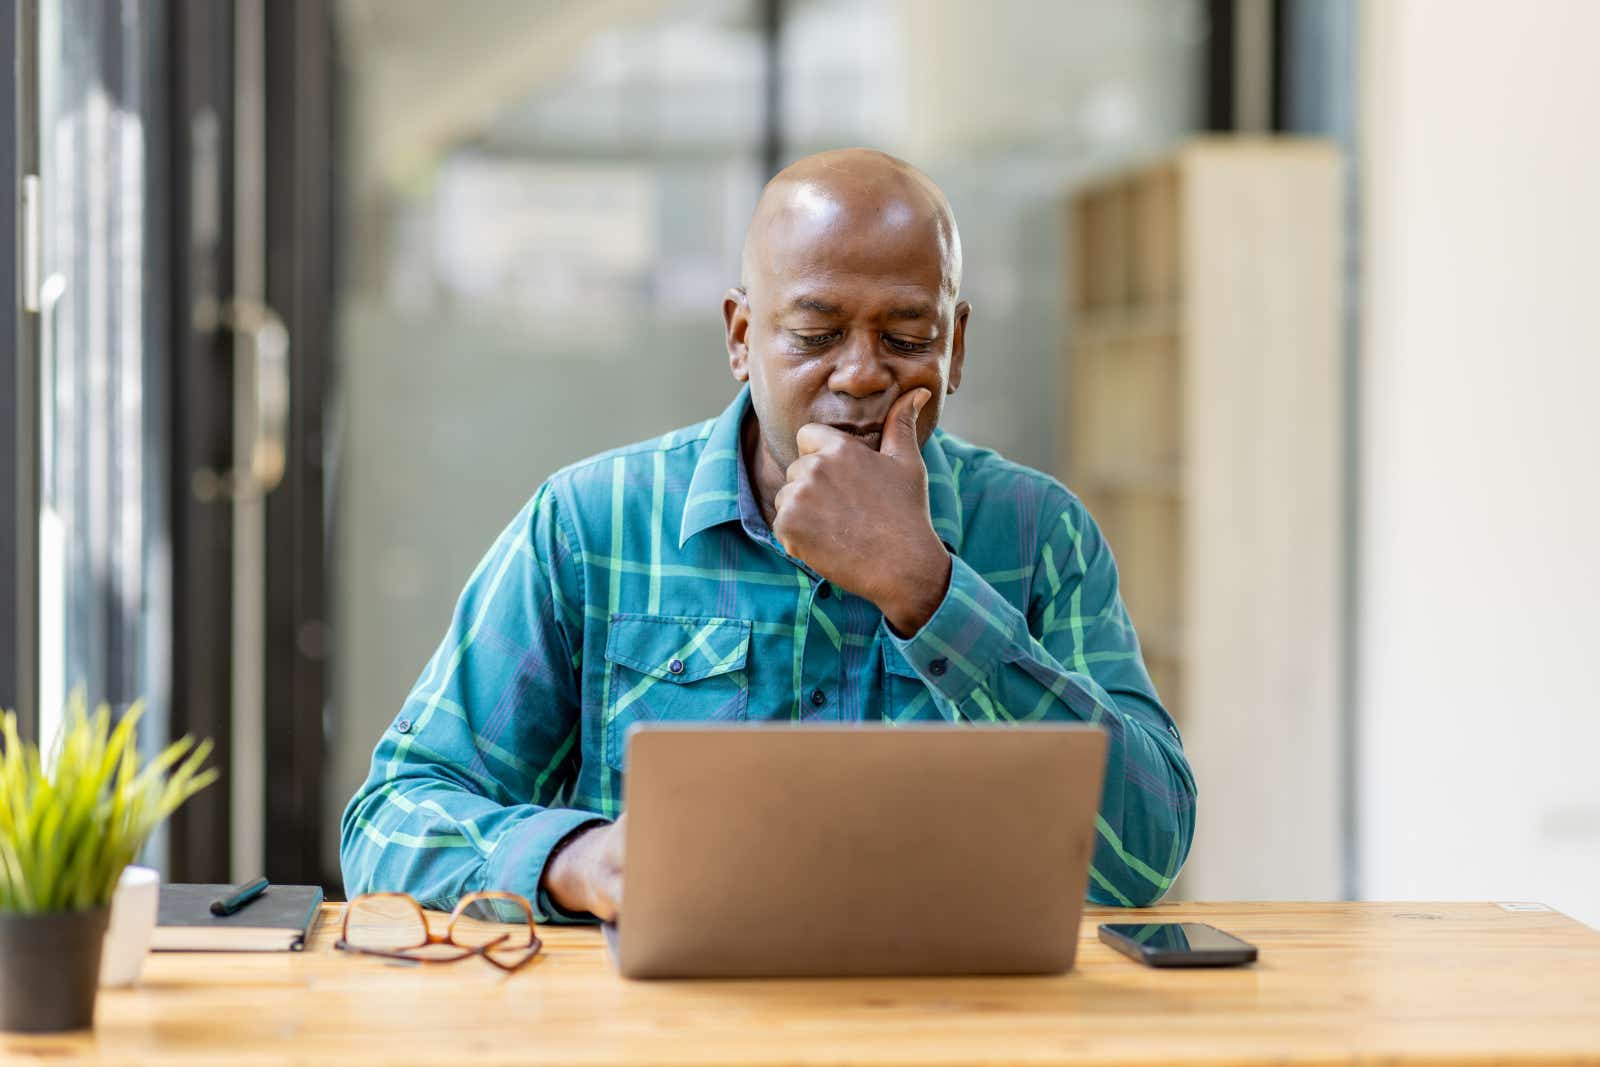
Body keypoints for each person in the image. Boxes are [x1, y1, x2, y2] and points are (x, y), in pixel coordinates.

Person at [340, 148, 1196, 922]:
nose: (861, 373)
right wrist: (576, 859)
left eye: (907, 337)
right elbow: (391, 816)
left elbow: (1145, 856)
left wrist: (927, 591)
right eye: (817, 335)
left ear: (956, 346)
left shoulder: (1039, 534)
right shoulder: (590, 524)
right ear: (743, 338)